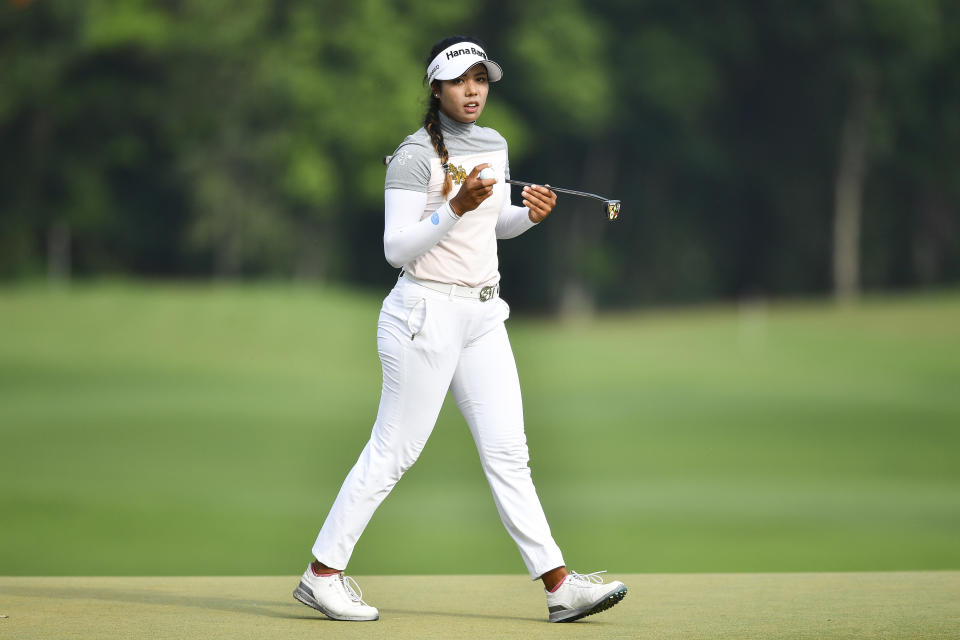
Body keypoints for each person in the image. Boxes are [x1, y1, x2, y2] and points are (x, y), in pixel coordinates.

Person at [292, 35, 627, 623]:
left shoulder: (494, 144)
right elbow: (397, 248)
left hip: (482, 316)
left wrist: (527, 217)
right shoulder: (414, 155)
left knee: (509, 453)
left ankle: (558, 586)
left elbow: (489, 228)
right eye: (460, 80)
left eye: (481, 80)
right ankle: (322, 575)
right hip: (423, 314)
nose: (473, 91)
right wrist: (457, 205)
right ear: (437, 87)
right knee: (395, 450)